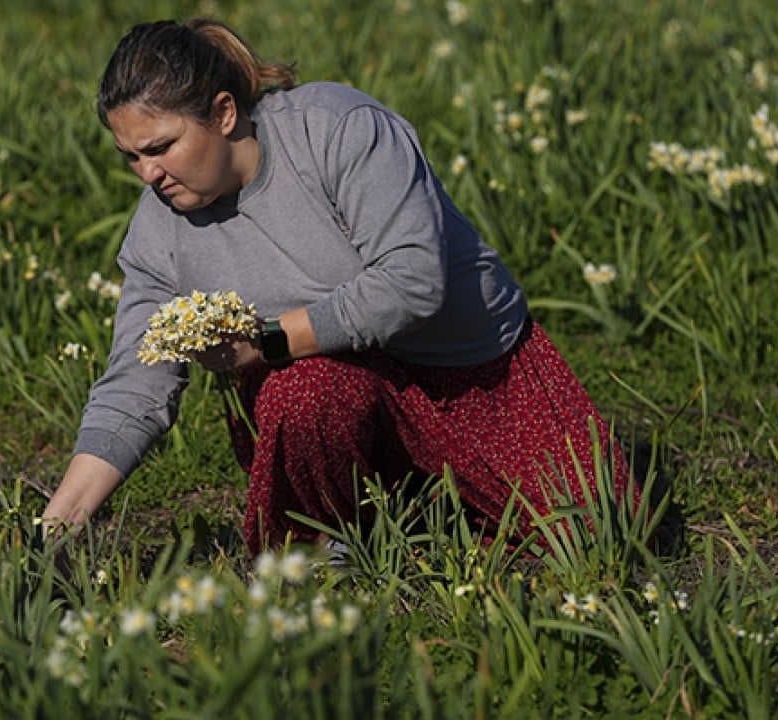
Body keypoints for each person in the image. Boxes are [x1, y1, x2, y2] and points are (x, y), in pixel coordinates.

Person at [41, 18, 636, 554]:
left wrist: (267, 342)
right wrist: (56, 526)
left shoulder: (336, 130)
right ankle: (326, 544)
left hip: (472, 371)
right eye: (130, 158)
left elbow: (412, 279)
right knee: (305, 390)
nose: (148, 174)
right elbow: (134, 386)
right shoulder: (157, 236)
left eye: (160, 148)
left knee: (601, 532)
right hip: (332, 397)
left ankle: (419, 503)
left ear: (223, 114)